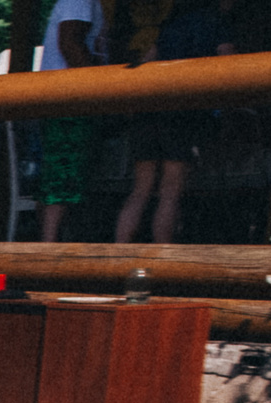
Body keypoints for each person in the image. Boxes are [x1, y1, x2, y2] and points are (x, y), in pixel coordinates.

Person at [112, 0, 237, 246]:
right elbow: (230, 62)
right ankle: (164, 261)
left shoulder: (170, 24)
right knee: (170, 192)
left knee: (141, 189)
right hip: (182, 112)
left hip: (149, 110)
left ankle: (119, 253)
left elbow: (145, 62)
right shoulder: (217, 24)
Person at [37, 0, 110, 241]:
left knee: (71, 178)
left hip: (73, 102)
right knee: (62, 177)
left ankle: (60, 249)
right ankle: (49, 254)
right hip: (69, 102)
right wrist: (103, 91)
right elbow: (69, 43)